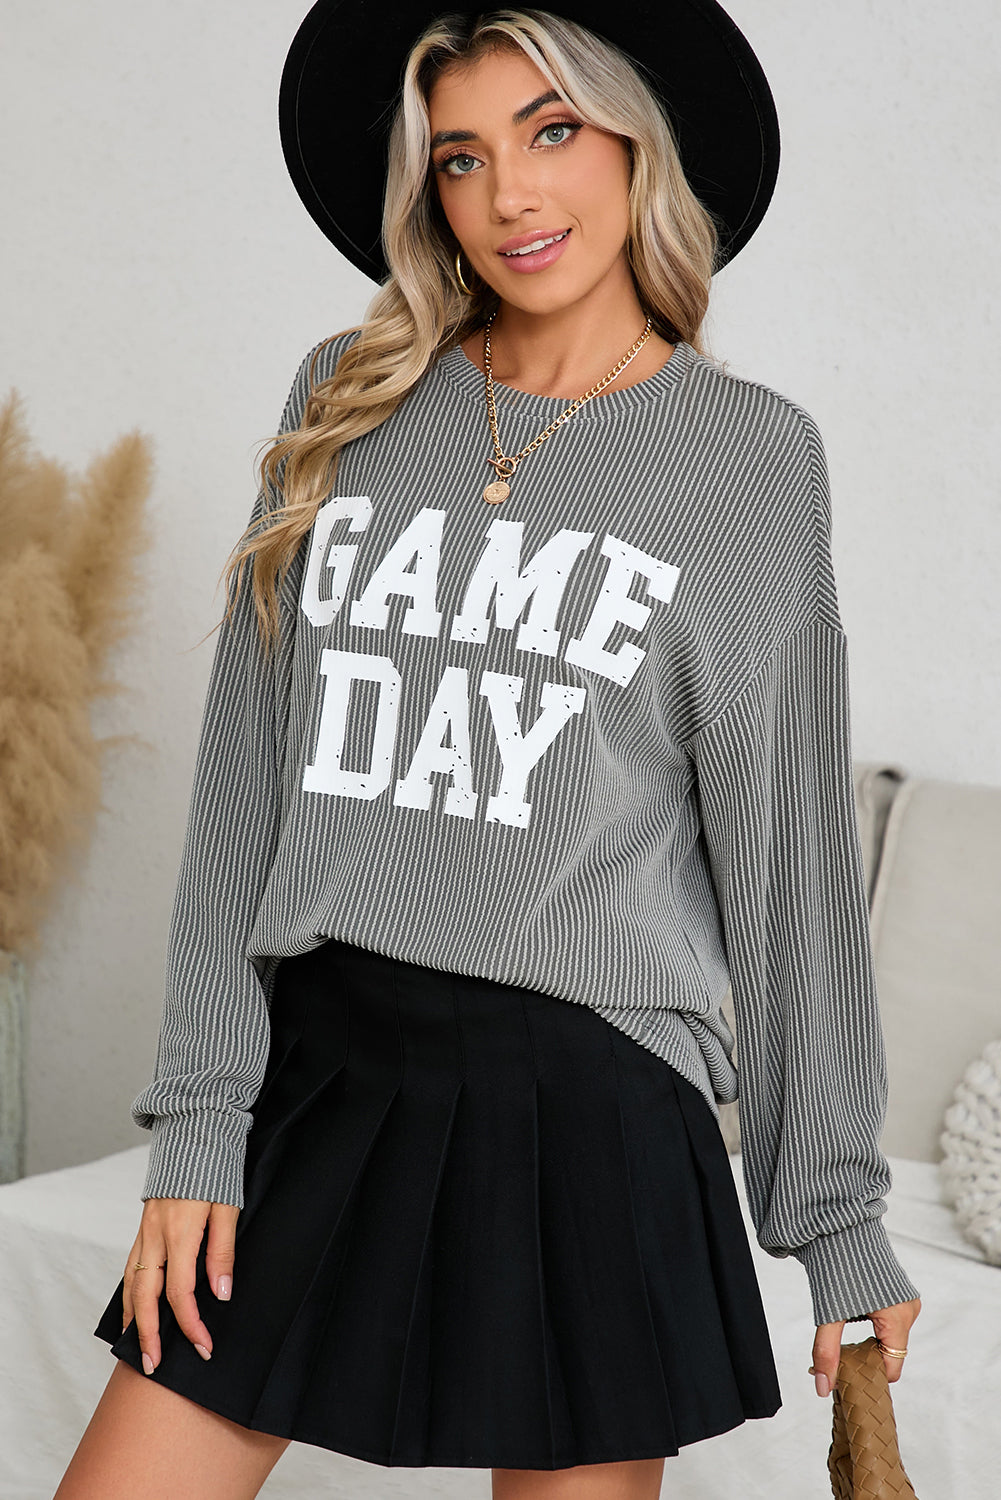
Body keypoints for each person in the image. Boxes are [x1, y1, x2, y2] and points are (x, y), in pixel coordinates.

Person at [58, 4, 921, 1497]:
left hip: (592, 1105)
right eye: (460, 157)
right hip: (329, 1065)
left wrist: (835, 1221)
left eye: (551, 131)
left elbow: (788, 871)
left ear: (636, 144)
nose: (510, 194)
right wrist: (200, 1116)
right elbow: (245, 791)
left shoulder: (749, 458)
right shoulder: (349, 396)